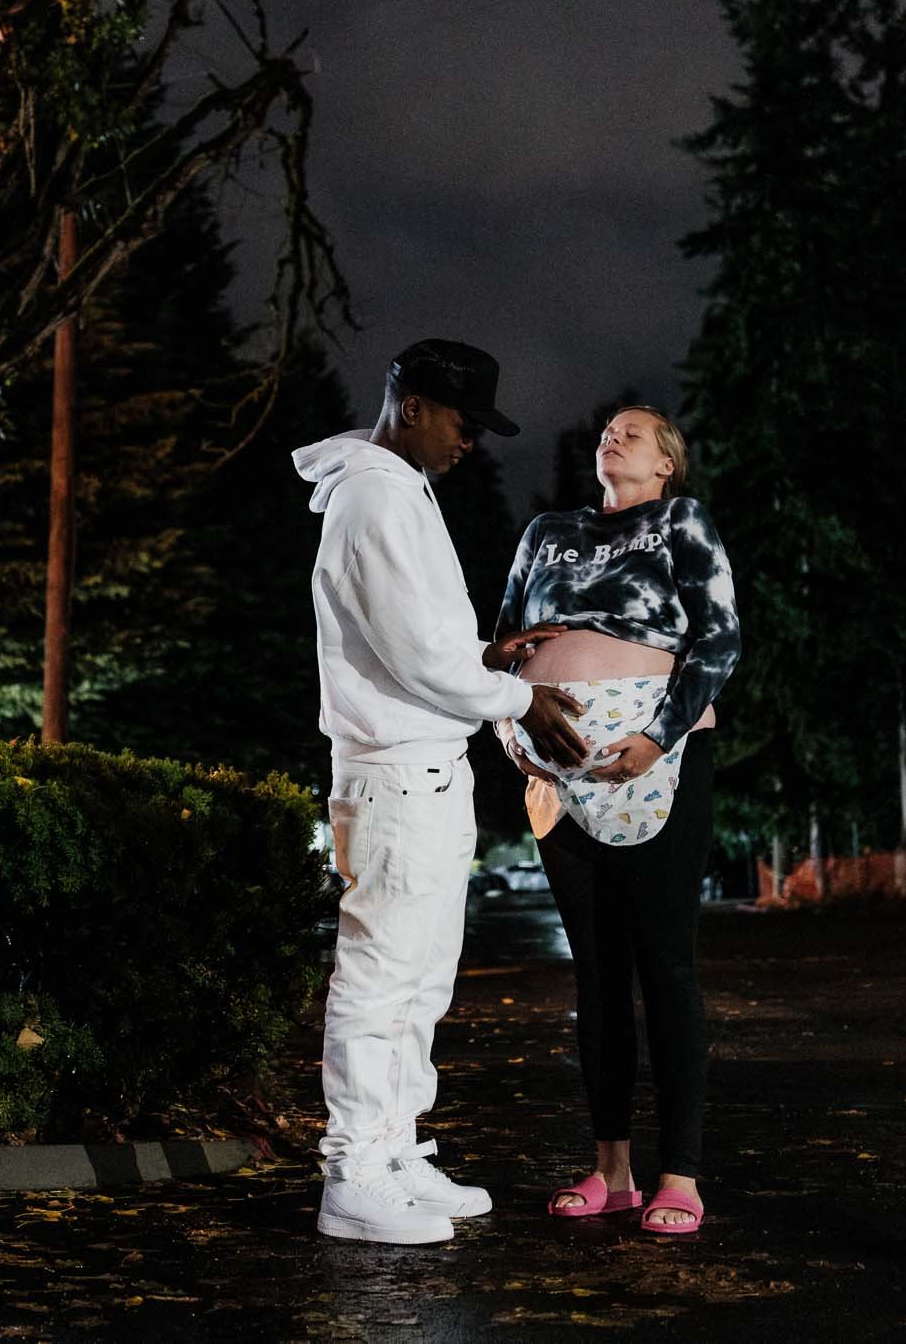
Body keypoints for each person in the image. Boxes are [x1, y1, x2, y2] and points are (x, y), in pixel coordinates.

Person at [295, 339, 588, 1246]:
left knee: (419, 979)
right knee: (381, 974)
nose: (474, 441)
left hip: (421, 770)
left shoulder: (400, 489)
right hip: (391, 772)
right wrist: (518, 698)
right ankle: (352, 1172)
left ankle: (392, 1150)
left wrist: (484, 660)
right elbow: (415, 658)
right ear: (412, 403)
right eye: (465, 421)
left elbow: (421, 642)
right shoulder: (375, 494)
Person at [491, 405, 739, 1235]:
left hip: (658, 757)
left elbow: (720, 637)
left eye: (636, 431)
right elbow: (499, 643)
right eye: (607, 429)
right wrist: (512, 734)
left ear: (668, 463)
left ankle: (682, 1173)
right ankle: (613, 1170)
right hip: (556, 768)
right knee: (595, 974)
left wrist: (657, 734)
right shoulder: (547, 531)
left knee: (664, 966)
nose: (614, 436)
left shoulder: (680, 521)